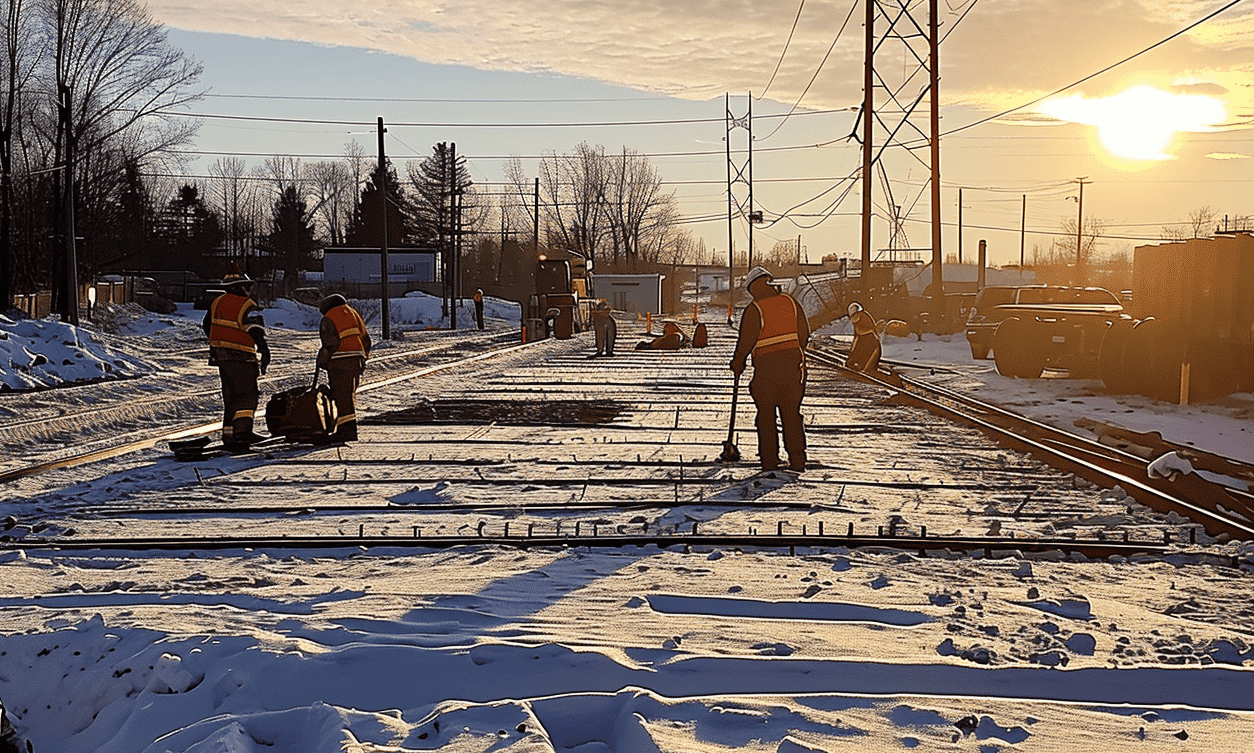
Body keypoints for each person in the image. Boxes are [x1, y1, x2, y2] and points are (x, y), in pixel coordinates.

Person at [730, 266, 810, 472]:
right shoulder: (791, 303)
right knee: (792, 414)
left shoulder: (755, 309)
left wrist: (738, 362)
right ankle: (798, 460)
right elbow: (804, 334)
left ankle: (769, 461)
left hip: (766, 371)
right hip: (793, 368)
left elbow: (745, 341)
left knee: (765, 416)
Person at [203, 274, 270, 448]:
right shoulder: (247, 305)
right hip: (242, 356)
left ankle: (229, 434)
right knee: (248, 393)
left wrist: (219, 341)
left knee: (230, 395)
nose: (248, 290)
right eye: (246, 287)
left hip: (221, 356)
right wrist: (263, 349)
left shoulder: (217, 302)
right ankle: (243, 432)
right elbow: (255, 329)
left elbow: (206, 325)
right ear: (238, 287)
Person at [317, 293, 371, 442]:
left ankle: (346, 431)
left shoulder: (329, 317)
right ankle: (347, 428)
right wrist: (363, 358)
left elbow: (329, 343)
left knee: (341, 396)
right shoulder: (353, 313)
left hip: (340, 360)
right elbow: (366, 339)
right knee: (348, 396)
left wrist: (323, 360)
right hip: (356, 359)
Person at [846, 301, 882, 373]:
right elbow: (856, 336)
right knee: (852, 361)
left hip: (870, 341)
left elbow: (870, 329)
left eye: (854, 316)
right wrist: (852, 350)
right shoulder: (857, 322)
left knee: (864, 362)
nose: (853, 319)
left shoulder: (863, 317)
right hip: (864, 340)